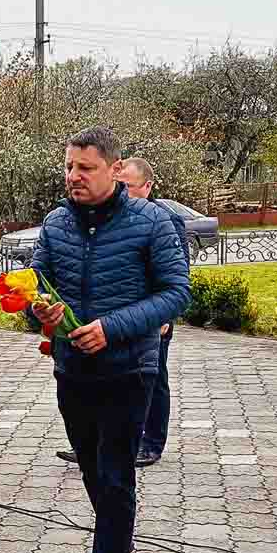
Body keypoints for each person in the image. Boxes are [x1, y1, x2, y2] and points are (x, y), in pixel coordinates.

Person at [32, 127, 190, 553]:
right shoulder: (55, 224)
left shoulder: (151, 223)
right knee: (95, 475)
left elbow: (175, 294)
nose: (73, 176)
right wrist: (41, 311)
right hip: (72, 372)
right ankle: (115, 538)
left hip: (128, 372)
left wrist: (113, 328)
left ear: (113, 169)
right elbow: (36, 281)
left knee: (116, 477)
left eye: (85, 168)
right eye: (69, 167)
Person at [56, 157, 189, 469]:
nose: (122, 192)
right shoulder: (101, 217)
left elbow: (176, 278)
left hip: (151, 321)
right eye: (120, 185)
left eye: (129, 186)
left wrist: (164, 318)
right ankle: (94, 441)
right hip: (106, 324)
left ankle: (151, 443)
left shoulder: (164, 220)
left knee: (153, 380)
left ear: (148, 186)